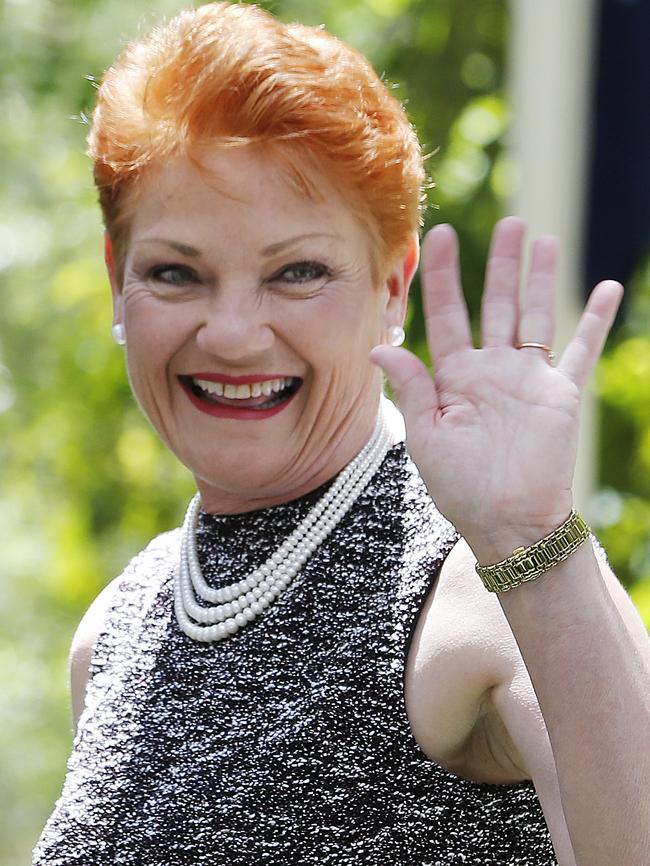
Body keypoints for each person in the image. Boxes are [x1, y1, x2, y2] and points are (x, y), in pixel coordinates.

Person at [33, 3, 650, 865]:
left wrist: (534, 540)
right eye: (177, 273)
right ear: (116, 279)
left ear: (392, 288)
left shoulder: (479, 581)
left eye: (298, 272)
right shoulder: (114, 634)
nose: (234, 332)